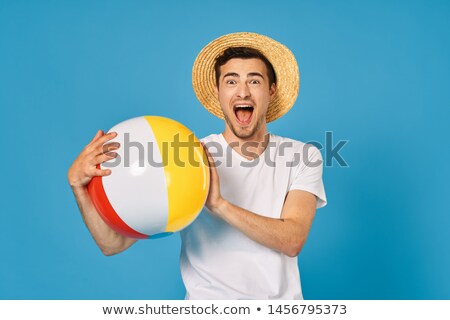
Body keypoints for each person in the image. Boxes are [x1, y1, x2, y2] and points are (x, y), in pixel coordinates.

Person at [68, 32, 327, 299]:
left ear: (271, 90)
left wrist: (219, 205)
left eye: (254, 80)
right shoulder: (188, 157)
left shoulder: (302, 155)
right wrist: (79, 187)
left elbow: (292, 240)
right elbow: (112, 244)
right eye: (231, 81)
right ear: (218, 92)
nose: (243, 91)